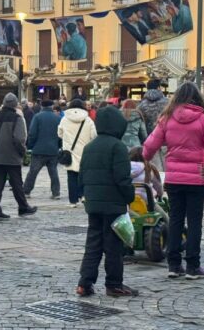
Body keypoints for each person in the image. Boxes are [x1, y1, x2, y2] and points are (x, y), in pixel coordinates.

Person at [143, 82, 204, 280]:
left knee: (176, 219)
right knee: (194, 222)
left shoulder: (166, 119)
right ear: (197, 98)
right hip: (197, 178)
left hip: (175, 178)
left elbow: (150, 145)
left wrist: (144, 157)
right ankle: (193, 266)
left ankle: (174, 265)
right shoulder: (203, 120)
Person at [76, 106, 137, 298]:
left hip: (93, 204)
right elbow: (122, 179)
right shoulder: (117, 147)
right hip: (113, 204)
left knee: (93, 244)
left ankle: (84, 283)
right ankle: (114, 284)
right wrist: (130, 197)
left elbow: (81, 177)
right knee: (113, 247)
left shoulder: (89, 147)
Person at [0, 93, 37, 221]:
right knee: (17, 183)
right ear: (14, 104)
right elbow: (19, 138)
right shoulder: (17, 118)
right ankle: (23, 207)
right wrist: (22, 152)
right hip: (12, 156)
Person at [58, 99, 97, 207]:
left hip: (69, 151)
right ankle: (83, 195)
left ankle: (73, 201)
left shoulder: (65, 119)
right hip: (84, 151)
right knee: (84, 175)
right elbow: (93, 135)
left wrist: (67, 139)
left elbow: (59, 133)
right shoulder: (88, 120)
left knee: (71, 176)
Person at [23, 100, 61, 199]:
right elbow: (60, 135)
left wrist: (31, 145)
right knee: (53, 172)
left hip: (39, 149)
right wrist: (58, 146)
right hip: (53, 149)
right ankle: (56, 192)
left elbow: (32, 133)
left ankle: (26, 191)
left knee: (33, 172)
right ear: (52, 106)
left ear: (42, 106)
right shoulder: (57, 118)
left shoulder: (37, 117)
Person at [138, 79, 168, 170]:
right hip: (166, 139)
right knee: (167, 167)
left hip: (150, 139)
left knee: (154, 169)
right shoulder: (167, 102)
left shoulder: (142, 104)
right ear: (159, 88)